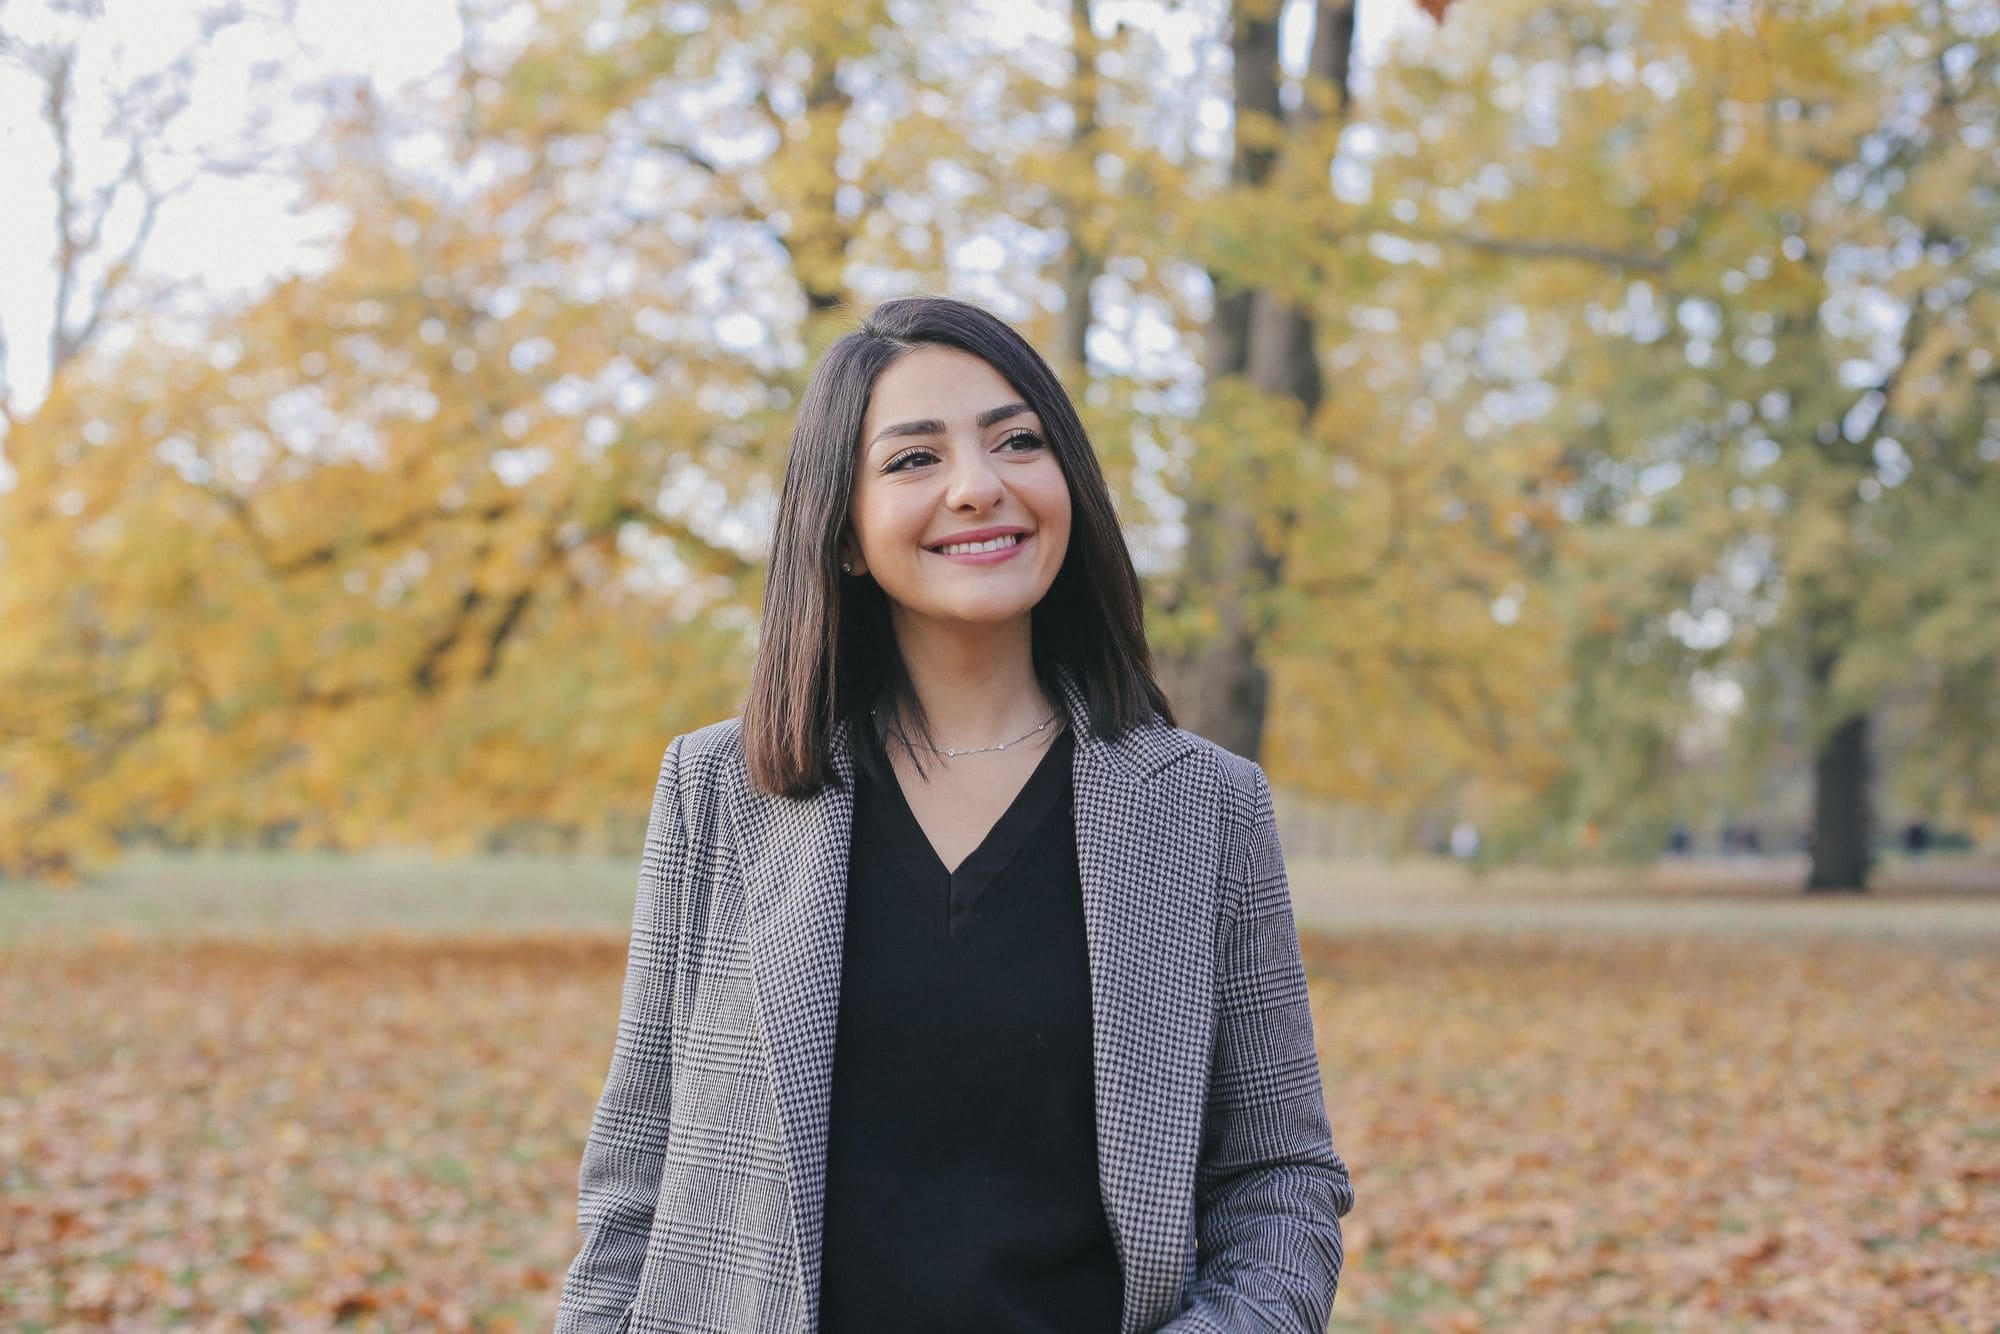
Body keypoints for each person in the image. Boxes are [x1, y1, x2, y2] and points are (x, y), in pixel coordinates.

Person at [554, 295, 1353, 1333]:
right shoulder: (719, 789)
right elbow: (634, 1183)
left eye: (1017, 441)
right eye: (912, 459)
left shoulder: (1204, 805)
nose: (979, 487)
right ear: (841, 531)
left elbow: (1278, 1179)